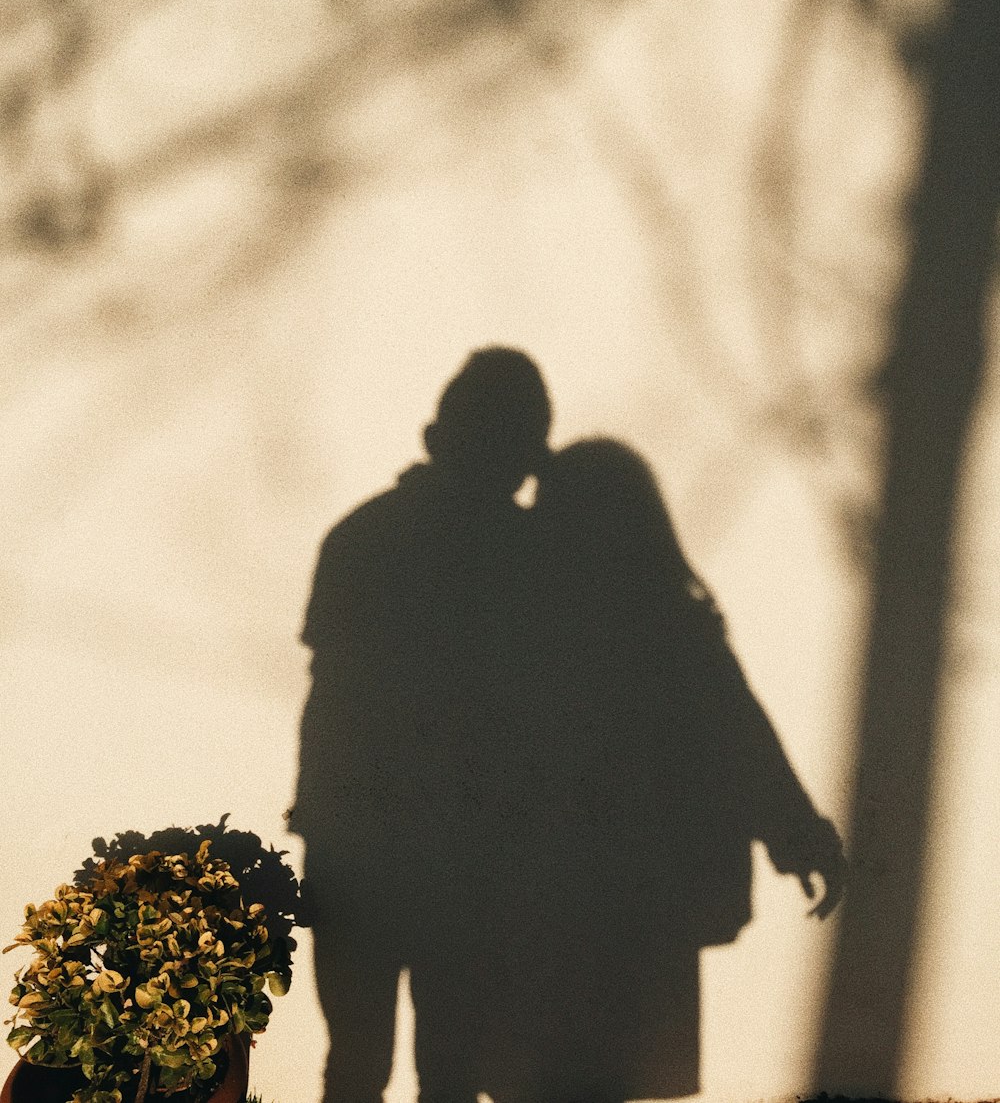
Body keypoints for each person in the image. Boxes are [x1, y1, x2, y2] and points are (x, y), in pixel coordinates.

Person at [502, 436, 847, 1102]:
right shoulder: (675, 628)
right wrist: (801, 836)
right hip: (644, 909)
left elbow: (742, 740)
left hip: (550, 912)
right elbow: (744, 740)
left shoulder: (526, 633)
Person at [292, 348, 552, 1103]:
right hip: (477, 855)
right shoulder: (536, 559)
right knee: (453, 1066)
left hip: (359, 843)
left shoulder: (360, 537)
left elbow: (330, 696)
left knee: (358, 1061)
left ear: (436, 436)